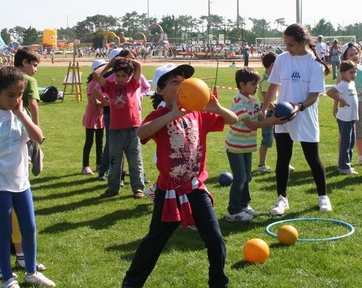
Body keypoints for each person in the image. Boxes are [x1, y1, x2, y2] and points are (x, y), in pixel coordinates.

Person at [121, 62, 237, 288]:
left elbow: (233, 119)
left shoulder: (199, 113)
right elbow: (141, 132)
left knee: (215, 240)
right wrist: (172, 114)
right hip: (169, 191)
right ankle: (131, 283)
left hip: (196, 188)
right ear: (161, 90)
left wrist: (217, 108)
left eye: (183, 80)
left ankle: (218, 283)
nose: (182, 85)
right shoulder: (160, 115)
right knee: (155, 241)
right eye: (175, 81)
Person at [0, 67, 55, 288]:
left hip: (21, 181)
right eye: (11, 95)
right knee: (4, 228)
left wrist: (21, 113)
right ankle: (7, 278)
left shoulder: (19, 112)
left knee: (29, 227)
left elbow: (38, 138)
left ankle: (31, 272)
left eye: (20, 94)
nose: (16, 99)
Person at [267, 23, 347, 216]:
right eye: (285, 44)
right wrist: (265, 108)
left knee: (313, 158)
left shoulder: (314, 65)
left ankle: (323, 197)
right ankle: (281, 198)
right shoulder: (282, 60)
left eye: (291, 44)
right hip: (283, 117)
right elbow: (273, 86)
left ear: (303, 42)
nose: (287, 48)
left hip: (305, 115)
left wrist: (299, 106)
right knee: (283, 158)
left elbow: (313, 96)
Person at [224, 67, 284, 222]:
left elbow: (260, 119)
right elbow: (251, 124)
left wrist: (276, 114)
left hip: (247, 145)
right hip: (235, 146)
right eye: (253, 84)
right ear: (242, 85)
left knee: (247, 177)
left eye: (257, 83)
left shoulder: (253, 101)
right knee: (240, 177)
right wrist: (272, 121)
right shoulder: (238, 102)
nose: (256, 87)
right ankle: (233, 211)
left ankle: (244, 205)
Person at [92, 56, 146, 199]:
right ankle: (113, 188)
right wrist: (110, 64)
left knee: (135, 160)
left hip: (132, 129)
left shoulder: (132, 85)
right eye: (118, 75)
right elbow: (96, 76)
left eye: (124, 76)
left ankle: (138, 188)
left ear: (129, 76)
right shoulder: (110, 87)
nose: (120, 78)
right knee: (114, 161)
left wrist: (127, 60)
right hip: (115, 130)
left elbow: (138, 65)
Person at [334, 43, 362, 167]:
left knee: (359, 131)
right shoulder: (341, 72)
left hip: (359, 104)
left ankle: (361, 157)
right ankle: (342, 159)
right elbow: (337, 91)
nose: (354, 56)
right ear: (345, 56)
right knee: (344, 133)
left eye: (356, 53)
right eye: (351, 54)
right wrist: (335, 105)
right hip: (345, 106)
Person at [14, 47, 44, 176]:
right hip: (24, 123)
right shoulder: (30, 80)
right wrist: (36, 125)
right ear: (25, 62)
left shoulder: (7, 76)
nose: (36, 69)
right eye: (34, 65)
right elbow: (33, 103)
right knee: (26, 157)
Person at [329, 60, 360, 175]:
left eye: (355, 72)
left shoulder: (351, 84)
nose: (354, 75)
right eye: (351, 72)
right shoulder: (342, 84)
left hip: (351, 117)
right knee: (345, 142)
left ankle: (347, 163)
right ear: (343, 73)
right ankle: (343, 167)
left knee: (351, 141)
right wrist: (340, 100)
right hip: (344, 118)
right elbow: (330, 92)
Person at [81, 60, 107, 175]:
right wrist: (108, 103)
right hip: (92, 115)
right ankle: (85, 166)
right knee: (89, 141)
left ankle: (99, 163)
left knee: (100, 141)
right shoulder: (93, 84)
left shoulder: (101, 83)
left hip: (100, 115)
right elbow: (95, 102)